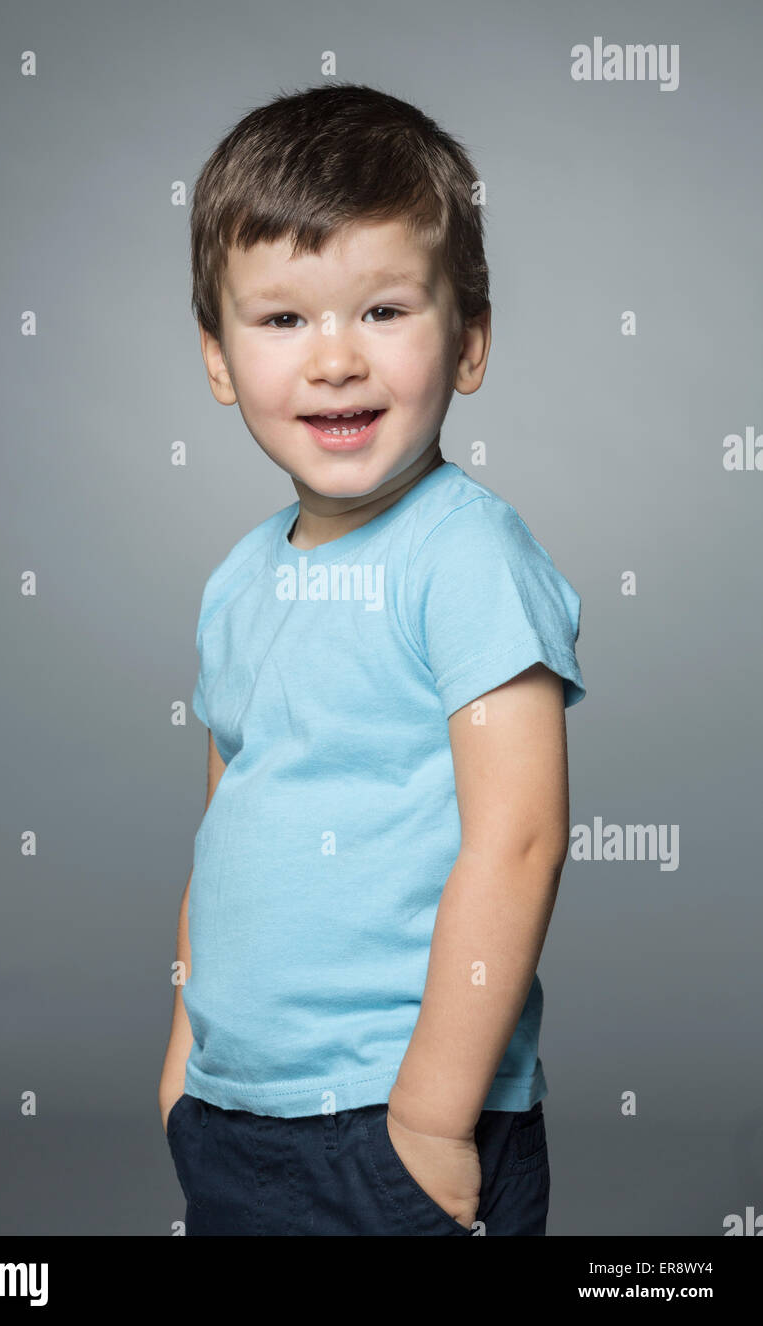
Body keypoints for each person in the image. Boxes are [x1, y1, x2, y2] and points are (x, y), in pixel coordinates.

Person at [158, 81, 586, 1236]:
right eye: (283, 319)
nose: (334, 360)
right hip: (236, 1110)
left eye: (384, 311)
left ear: (470, 339)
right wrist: (185, 1049)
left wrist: (434, 1118)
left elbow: (522, 834)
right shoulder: (239, 580)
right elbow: (229, 825)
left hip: (392, 1115)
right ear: (216, 356)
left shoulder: (466, 555)